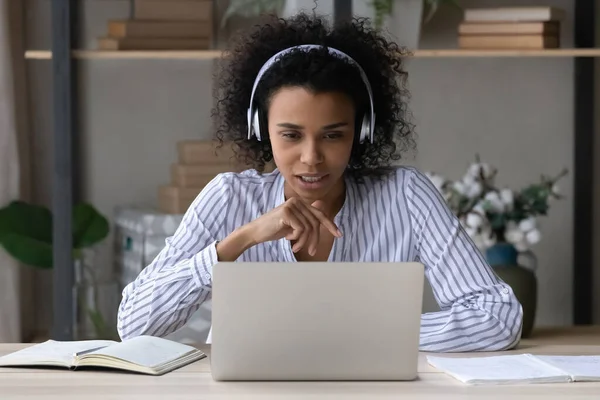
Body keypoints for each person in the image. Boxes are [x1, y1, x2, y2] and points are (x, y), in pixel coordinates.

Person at [117, 13, 523, 352]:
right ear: (261, 130)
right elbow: (133, 325)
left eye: (333, 135)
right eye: (291, 135)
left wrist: (355, 336)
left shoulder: (406, 195)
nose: (311, 157)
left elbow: (498, 316)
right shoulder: (228, 199)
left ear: (362, 132)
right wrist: (238, 242)